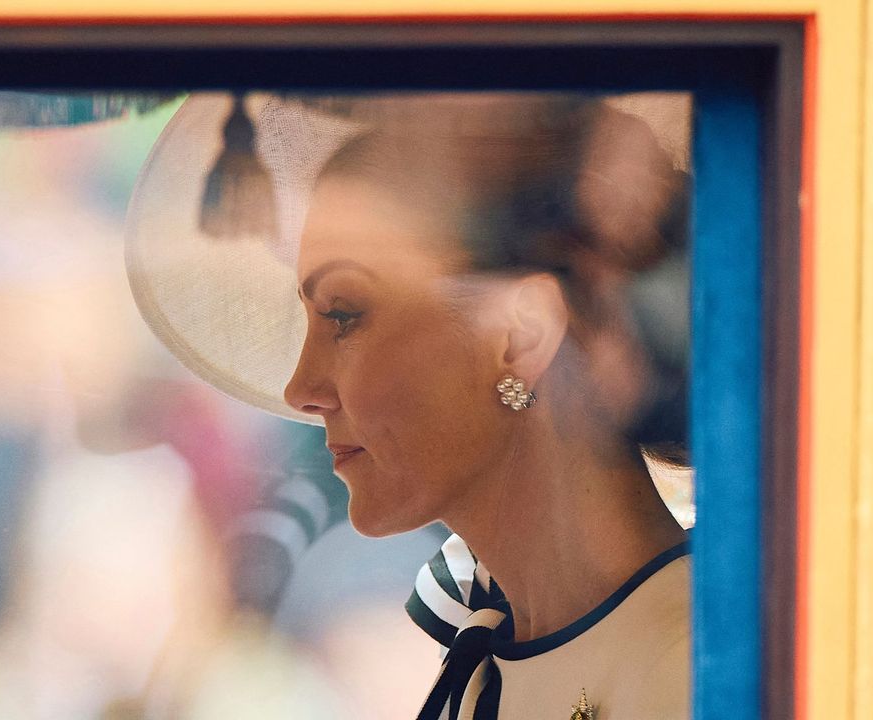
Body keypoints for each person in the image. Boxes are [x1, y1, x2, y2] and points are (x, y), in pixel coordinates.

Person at [126, 92, 694, 719]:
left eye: (344, 314)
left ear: (520, 335)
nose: (301, 388)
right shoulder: (487, 661)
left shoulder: (702, 672)